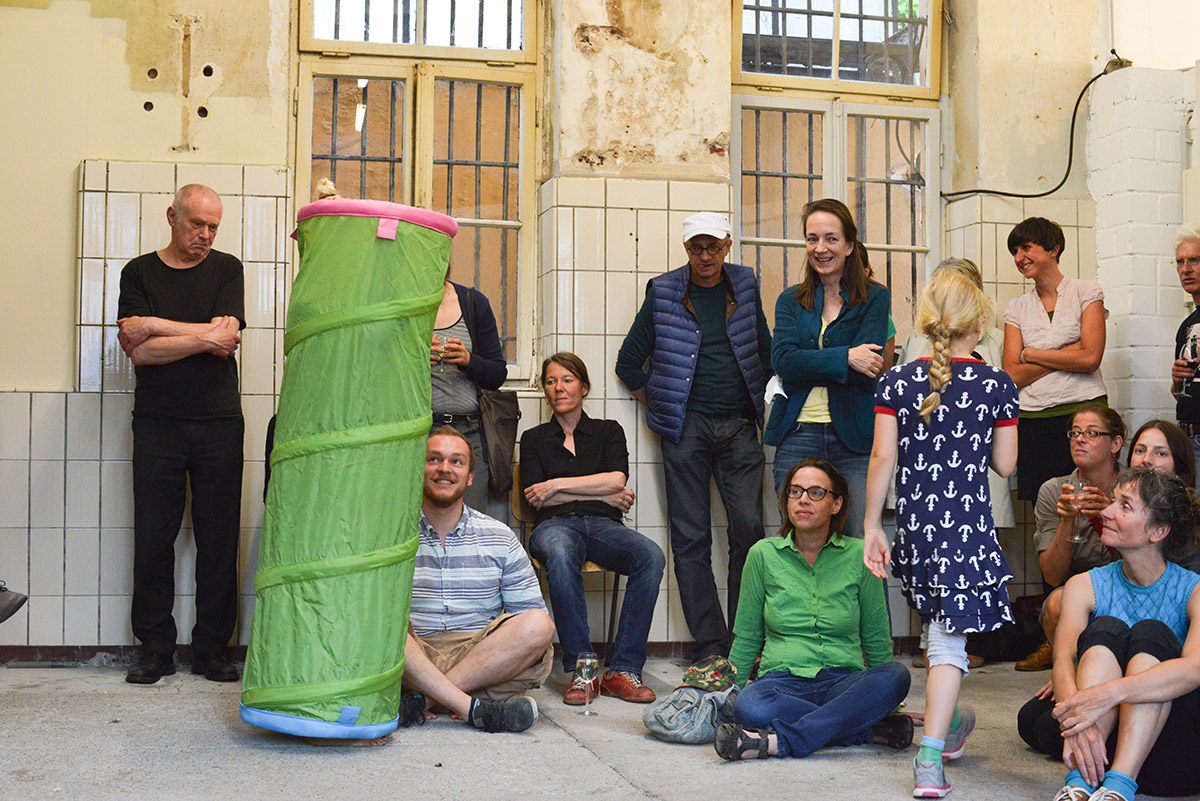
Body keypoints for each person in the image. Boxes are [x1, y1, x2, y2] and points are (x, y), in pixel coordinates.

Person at [864, 268, 1019, 798]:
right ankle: (929, 760)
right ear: (979, 324)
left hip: (917, 529)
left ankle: (948, 724)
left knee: (937, 628)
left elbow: (882, 457)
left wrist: (871, 526)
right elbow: (1005, 464)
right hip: (967, 530)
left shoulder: (895, 382)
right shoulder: (997, 384)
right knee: (951, 640)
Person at [615, 211, 771, 664]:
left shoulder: (745, 285)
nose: (705, 256)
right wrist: (666, 407)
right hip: (686, 430)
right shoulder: (665, 291)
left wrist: (767, 402)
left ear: (727, 246)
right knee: (690, 538)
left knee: (750, 531)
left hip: (740, 425)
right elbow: (629, 364)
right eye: (697, 248)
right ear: (686, 249)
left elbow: (764, 352)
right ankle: (711, 645)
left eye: (713, 247)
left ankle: (745, 641)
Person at [116, 184, 245, 685]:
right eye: (197, 224)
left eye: (213, 226)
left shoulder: (227, 269)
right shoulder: (138, 272)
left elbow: (227, 339)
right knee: (153, 537)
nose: (206, 235)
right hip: (157, 423)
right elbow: (140, 353)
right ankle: (155, 650)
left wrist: (152, 324)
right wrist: (202, 335)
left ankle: (212, 650)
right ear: (172, 217)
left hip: (219, 423)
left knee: (219, 538)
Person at [713, 458, 912, 761]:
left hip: (844, 681)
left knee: (895, 676)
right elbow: (747, 635)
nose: (803, 499)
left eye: (816, 492)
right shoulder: (762, 555)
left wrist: (888, 704)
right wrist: (729, 692)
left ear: (837, 504)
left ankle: (781, 742)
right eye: (795, 491)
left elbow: (876, 636)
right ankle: (864, 729)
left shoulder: (861, 555)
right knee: (749, 706)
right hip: (782, 683)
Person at [1029, 469, 1200, 801]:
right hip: (1103, 731)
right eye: (1112, 501)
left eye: (1124, 506)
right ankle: (1081, 784)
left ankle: (1119, 786)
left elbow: (1194, 669)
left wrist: (1109, 694)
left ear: (1158, 530)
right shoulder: (1084, 585)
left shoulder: (1193, 590)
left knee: (1151, 632)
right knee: (1105, 630)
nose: (1106, 512)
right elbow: (1064, 657)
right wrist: (1078, 720)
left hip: (1169, 733)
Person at [521, 352, 666, 705]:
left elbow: (617, 480)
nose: (558, 388)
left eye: (567, 380)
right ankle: (583, 670)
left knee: (650, 555)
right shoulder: (533, 438)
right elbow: (535, 498)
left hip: (602, 525)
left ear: (584, 388)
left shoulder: (608, 431)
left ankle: (623, 671)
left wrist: (556, 485)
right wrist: (601, 492)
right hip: (553, 526)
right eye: (551, 381)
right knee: (560, 552)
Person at [398, 428, 556, 733]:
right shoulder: (392, 535)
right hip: (412, 653)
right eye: (434, 459)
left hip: (480, 656)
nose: (445, 469)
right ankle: (474, 705)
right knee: (381, 627)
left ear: (470, 476)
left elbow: (530, 620)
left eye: (456, 461)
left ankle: (421, 701)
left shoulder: (499, 536)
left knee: (539, 624)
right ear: (418, 469)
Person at [765, 198, 891, 540]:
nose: (820, 248)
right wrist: (846, 356)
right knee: (797, 542)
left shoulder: (875, 298)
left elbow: (870, 365)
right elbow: (783, 361)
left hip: (853, 438)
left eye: (831, 239)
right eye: (812, 239)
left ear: (849, 245)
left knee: (858, 540)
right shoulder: (790, 300)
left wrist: (810, 361)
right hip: (797, 433)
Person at [1002, 217, 1108, 503]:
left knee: (1090, 500)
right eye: (1015, 252)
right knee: (1044, 506)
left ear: (1054, 249)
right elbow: (1012, 375)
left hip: (1085, 411)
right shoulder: (1016, 308)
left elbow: (1090, 359)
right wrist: (1071, 351)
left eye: (1026, 248)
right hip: (1033, 418)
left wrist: (1032, 354)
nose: (1019, 258)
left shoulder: (1086, 292)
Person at [1017, 406, 1125, 673]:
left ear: (1115, 444)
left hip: (1127, 582)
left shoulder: (1132, 488)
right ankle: (1066, 666)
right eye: (1075, 433)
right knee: (1056, 602)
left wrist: (1109, 516)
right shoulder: (1054, 490)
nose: (1079, 440)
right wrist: (1067, 520)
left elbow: (1146, 560)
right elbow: (1053, 576)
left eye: (1091, 433)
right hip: (1078, 587)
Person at [429, 279, 508, 512]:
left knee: (470, 516)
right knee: (415, 519)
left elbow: (497, 374)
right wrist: (415, 360)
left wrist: (468, 361)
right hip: (419, 431)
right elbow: (381, 374)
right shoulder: (403, 305)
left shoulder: (474, 303)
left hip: (468, 430)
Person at [1170, 223, 1200, 485]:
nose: (1186, 269)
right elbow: (1179, 392)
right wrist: (1176, 381)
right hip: (1187, 438)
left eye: (1195, 260)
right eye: (1180, 262)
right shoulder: (1187, 325)